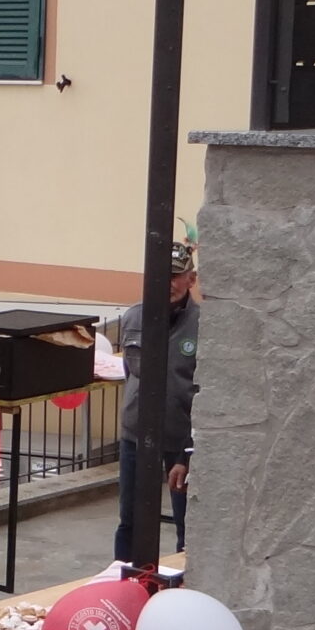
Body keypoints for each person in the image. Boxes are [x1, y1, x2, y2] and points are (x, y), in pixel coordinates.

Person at [110, 242, 200, 565]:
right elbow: (131, 373)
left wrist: (187, 453)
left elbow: (204, 390)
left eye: (177, 276)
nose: (169, 284)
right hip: (136, 437)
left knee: (188, 528)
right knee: (130, 522)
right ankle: (124, 587)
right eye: (162, 275)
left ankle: (183, 596)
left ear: (191, 279)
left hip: (181, 442)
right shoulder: (133, 318)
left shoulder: (203, 326)